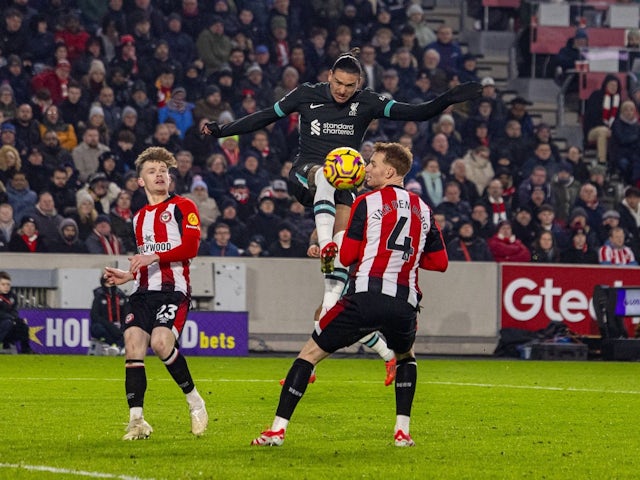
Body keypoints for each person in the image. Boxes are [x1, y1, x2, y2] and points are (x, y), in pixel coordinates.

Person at [202, 50, 479, 381]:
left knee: (336, 286)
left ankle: (374, 352)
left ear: (358, 83)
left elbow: (416, 113)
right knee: (326, 175)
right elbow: (264, 116)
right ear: (329, 77)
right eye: (338, 83)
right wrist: (223, 130)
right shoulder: (307, 94)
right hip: (307, 173)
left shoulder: (367, 102)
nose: (342, 91)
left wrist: (448, 98)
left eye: (350, 85)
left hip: (344, 184)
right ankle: (325, 241)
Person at [250, 142, 448, 447]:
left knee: (309, 355)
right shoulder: (424, 209)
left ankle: (277, 430)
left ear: (390, 171)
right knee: (406, 357)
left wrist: (333, 251)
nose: (367, 168)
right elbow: (440, 262)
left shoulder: (367, 203)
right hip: (405, 303)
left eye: (373, 163)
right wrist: (403, 256)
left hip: (366, 296)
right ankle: (402, 432)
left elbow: (347, 257)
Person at [103, 146, 208, 440]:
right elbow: (145, 258)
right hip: (143, 291)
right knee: (133, 343)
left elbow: (191, 249)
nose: (160, 175)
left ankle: (195, 402)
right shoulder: (138, 219)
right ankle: (137, 422)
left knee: (162, 343)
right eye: (152, 171)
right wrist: (128, 275)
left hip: (174, 290)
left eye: (164, 171)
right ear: (140, 181)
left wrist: (151, 259)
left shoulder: (183, 206)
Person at [90, 276, 129, 352]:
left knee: (130, 330)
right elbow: (94, 315)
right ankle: (115, 345)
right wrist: (111, 326)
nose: (110, 284)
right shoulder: (99, 296)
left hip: (119, 325)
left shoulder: (121, 296)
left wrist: (122, 327)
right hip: (105, 325)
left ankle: (118, 347)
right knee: (98, 329)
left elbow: (125, 314)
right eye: (107, 282)